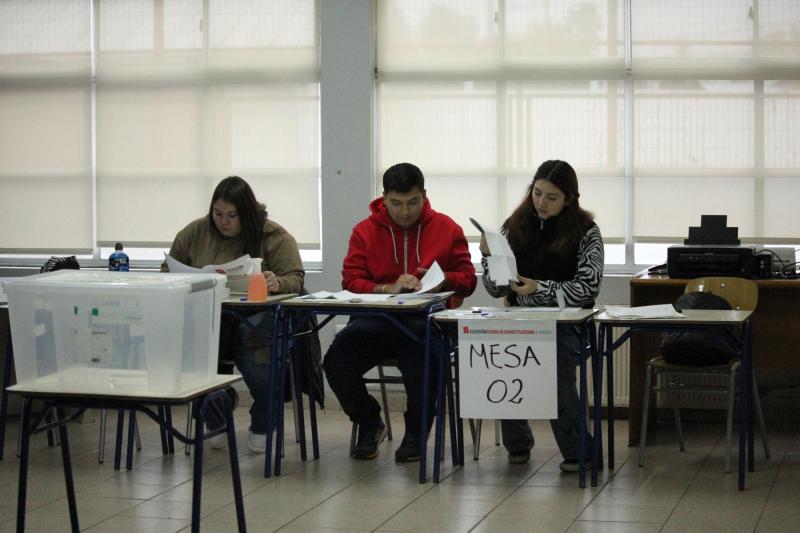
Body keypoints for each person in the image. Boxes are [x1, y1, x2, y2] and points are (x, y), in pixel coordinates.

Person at [323, 162, 477, 461]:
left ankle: (417, 433)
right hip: (375, 321)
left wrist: (442, 279)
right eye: (396, 203)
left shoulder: (447, 228)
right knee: (335, 362)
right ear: (384, 198)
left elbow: (468, 280)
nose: (405, 211)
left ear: (424, 195)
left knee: (422, 363)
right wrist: (387, 288)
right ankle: (369, 422)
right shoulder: (364, 231)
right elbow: (351, 280)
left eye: (413, 203)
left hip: (424, 322)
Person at [163, 176, 308, 453]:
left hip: (258, 319)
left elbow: (296, 279)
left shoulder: (272, 235)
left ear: (248, 213)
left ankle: (265, 421)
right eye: (218, 214)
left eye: (232, 215)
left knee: (257, 356)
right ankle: (216, 409)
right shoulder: (194, 233)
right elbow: (167, 271)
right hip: (209, 317)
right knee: (200, 354)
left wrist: (276, 282)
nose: (224, 221)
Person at [480, 160, 603, 471]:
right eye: (536, 193)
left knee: (555, 367)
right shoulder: (514, 225)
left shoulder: (587, 232)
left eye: (552, 197)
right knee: (500, 360)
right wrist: (488, 260)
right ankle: (518, 443)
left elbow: (587, 288)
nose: (541, 203)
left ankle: (578, 451)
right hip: (519, 320)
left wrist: (539, 288)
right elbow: (497, 290)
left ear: (570, 199)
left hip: (568, 324)